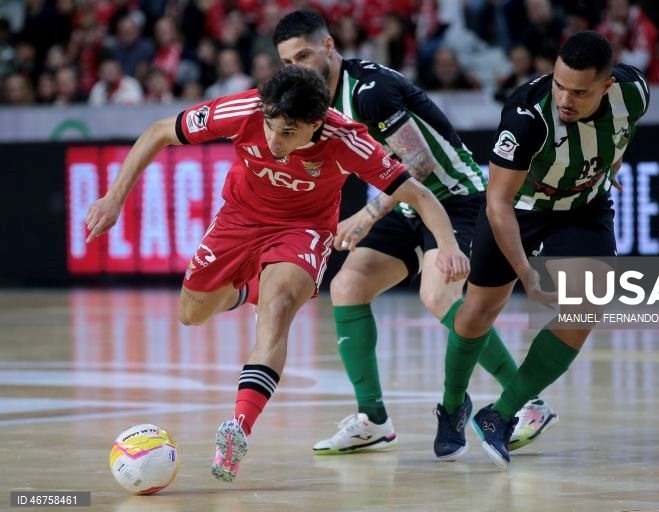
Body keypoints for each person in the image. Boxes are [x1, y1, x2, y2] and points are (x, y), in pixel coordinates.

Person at [84, 65, 470, 482]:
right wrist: (113, 197)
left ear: (316, 124)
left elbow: (419, 192)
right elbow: (160, 129)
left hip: (302, 230)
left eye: (287, 132)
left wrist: (447, 245)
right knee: (191, 314)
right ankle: (248, 290)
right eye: (270, 127)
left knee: (280, 308)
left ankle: (239, 430)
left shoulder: (348, 140)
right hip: (239, 219)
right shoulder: (246, 109)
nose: (273, 141)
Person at [273, 9, 557, 460]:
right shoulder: (314, 105)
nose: (297, 68)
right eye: (289, 62)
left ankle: (530, 404)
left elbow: (419, 166)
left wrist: (366, 215)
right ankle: (373, 420)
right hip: (407, 204)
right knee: (348, 286)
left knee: (438, 295)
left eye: (305, 55)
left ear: (328, 47)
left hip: (456, 196)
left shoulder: (370, 91)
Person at [436, 30, 650, 469]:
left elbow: (620, 133)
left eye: (579, 91)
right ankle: (452, 404)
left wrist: (610, 167)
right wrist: (526, 273)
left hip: (583, 208)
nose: (565, 98)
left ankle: (500, 414)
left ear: (607, 86)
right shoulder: (525, 114)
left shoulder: (635, 92)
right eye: (559, 84)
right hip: (519, 207)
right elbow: (497, 201)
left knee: (587, 305)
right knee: (478, 310)